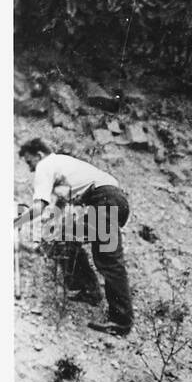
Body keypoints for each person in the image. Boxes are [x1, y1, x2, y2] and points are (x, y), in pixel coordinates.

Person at [15, 138, 134, 336]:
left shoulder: (45, 165)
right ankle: (92, 294)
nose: (30, 169)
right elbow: (61, 207)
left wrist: (14, 224)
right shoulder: (63, 164)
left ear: (38, 155)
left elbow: (39, 207)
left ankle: (118, 318)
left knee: (104, 258)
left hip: (103, 202)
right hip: (115, 201)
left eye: (30, 162)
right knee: (71, 243)